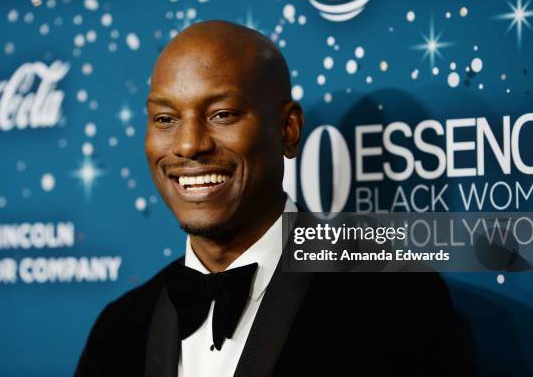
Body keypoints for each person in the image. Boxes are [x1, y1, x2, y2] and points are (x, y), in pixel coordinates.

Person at [75, 20, 475, 377]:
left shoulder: (394, 304)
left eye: (222, 114)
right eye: (165, 118)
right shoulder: (119, 330)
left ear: (288, 129)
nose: (188, 144)